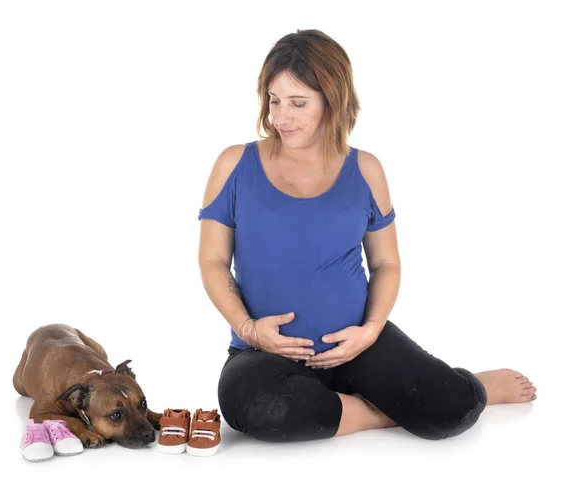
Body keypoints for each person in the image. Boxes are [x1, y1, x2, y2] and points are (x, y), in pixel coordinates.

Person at [197, 29, 537, 443]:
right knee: (255, 409)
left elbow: (386, 263)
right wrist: (249, 329)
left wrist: (371, 330)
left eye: (298, 103)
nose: (280, 117)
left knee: (451, 412)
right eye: (274, 101)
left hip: (357, 343)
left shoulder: (367, 171)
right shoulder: (234, 164)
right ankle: (381, 412)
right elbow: (213, 260)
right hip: (263, 353)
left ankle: (477, 384)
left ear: (332, 99)